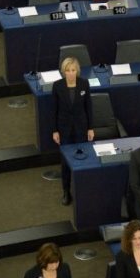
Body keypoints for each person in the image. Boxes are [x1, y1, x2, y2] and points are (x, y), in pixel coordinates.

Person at [52, 56, 94, 205]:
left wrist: (90, 128)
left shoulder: (84, 84)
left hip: (81, 128)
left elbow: (88, 107)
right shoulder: (57, 86)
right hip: (64, 129)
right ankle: (66, 191)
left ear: (77, 71)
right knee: (65, 162)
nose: (70, 73)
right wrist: (55, 130)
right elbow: (54, 110)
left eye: (73, 70)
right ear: (64, 71)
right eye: (68, 70)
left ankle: (83, 191)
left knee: (83, 159)